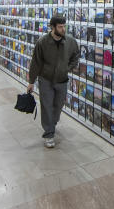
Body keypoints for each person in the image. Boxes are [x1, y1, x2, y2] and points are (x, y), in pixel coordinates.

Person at [26, 15, 78, 148]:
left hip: (62, 80)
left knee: (58, 106)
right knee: (47, 106)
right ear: (53, 27)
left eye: (64, 26)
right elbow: (36, 63)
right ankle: (49, 134)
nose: (63, 29)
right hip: (46, 80)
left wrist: (68, 68)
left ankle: (52, 123)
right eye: (60, 27)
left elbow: (75, 57)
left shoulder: (70, 42)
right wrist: (31, 81)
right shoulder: (42, 42)